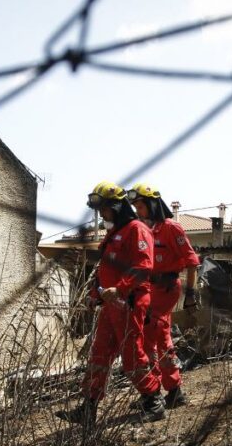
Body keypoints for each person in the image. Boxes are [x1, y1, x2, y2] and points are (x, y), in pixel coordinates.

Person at [59, 181, 166, 425]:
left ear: (117, 207)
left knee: (132, 354)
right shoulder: (113, 233)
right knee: (99, 353)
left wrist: (120, 288)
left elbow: (144, 266)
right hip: (111, 304)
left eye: (105, 210)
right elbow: (105, 270)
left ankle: (153, 401)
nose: (102, 215)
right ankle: (88, 407)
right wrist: (95, 296)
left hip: (130, 300)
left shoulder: (136, 230)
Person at [127, 182, 200, 408]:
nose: (138, 211)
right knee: (162, 339)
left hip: (167, 288)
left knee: (149, 336)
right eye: (136, 207)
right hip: (149, 289)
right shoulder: (142, 230)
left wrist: (191, 294)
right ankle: (173, 390)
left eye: (141, 206)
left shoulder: (171, 228)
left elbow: (191, 261)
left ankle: (154, 394)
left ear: (152, 204)